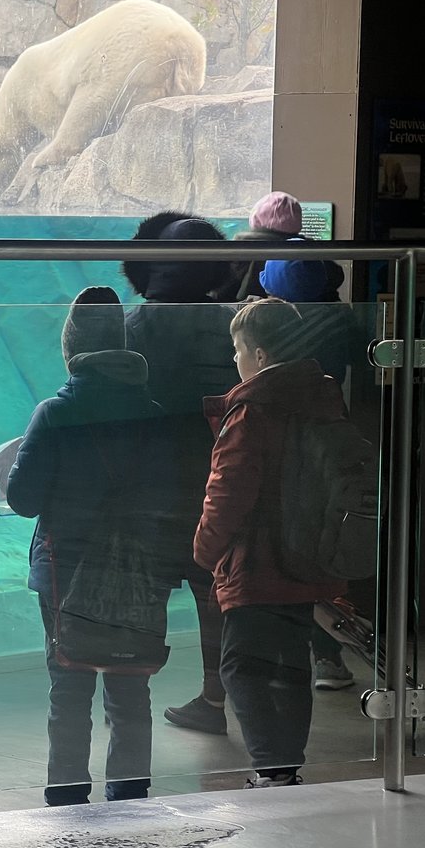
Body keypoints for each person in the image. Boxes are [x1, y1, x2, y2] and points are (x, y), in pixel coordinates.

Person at [7, 286, 170, 805]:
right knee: (129, 684)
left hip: (65, 566)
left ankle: (67, 790)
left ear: (72, 349)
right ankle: (129, 788)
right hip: (139, 568)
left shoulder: (54, 414)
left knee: (69, 685)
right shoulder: (158, 414)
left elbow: (24, 499)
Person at [194, 298, 348, 787]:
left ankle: (270, 770)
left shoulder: (252, 410)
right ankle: (287, 765)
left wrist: (204, 549)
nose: (235, 361)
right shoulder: (325, 399)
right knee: (292, 666)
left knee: (241, 666)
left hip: (257, 563)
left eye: (238, 350)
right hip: (310, 556)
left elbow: (228, 491)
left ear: (258, 354)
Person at [121, 211, 238, 736]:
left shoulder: (132, 325)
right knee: (215, 593)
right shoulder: (231, 322)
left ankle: (131, 701)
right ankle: (216, 696)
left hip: (148, 486)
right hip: (218, 480)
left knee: (143, 597)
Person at [255, 249, 370, 691]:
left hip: (289, 446)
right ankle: (329, 657)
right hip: (332, 434)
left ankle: (295, 656)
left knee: (290, 545)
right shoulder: (339, 318)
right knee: (324, 543)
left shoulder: (277, 325)